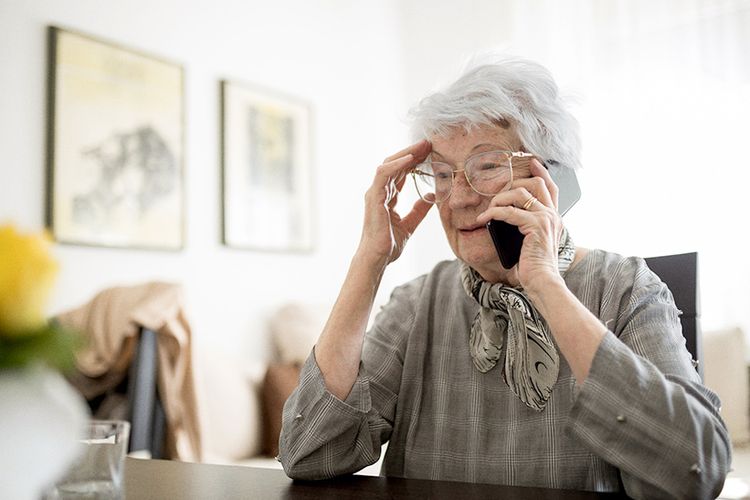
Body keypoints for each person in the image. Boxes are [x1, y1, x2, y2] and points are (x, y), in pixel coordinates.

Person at [278, 57, 730, 498]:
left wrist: (545, 283)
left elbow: (694, 473)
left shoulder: (627, 287)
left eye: (486, 166)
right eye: (440, 174)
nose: (456, 199)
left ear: (552, 175)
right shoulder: (418, 303)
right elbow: (309, 453)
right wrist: (369, 261)